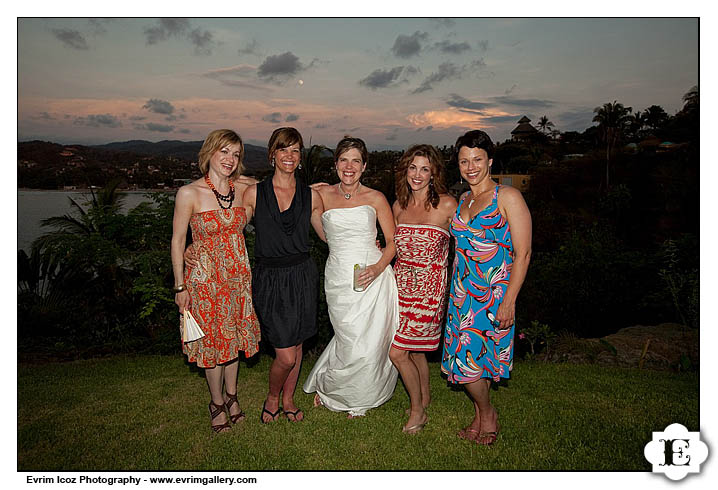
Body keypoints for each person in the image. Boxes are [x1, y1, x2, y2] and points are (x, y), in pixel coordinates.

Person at [441, 129, 532, 446]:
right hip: (462, 294)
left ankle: (487, 413)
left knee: (473, 362)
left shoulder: (507, 197)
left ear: (490, 161)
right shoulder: (463, 199)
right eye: (464, 161)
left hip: (493, 295)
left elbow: (523, 254)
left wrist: (509, 301)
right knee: (468, 360)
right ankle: (481, 415)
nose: (470, 166)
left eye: (477, 159)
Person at [170, 129, 261, 433]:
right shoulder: (189, 193)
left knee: (232, 339)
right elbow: (177, 240)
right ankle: (216, 401)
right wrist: (180, 285)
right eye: (224, 151)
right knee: (213, 343)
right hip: (205, 282)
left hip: (237, 278)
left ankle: (233, 396)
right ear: (209, 152)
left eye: (236, 154)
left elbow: (283, 186)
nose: (230, 159)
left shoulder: (244, 188)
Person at [303, 136, 399, 418]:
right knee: (347, 337)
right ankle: (334, 387)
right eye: (343, 159)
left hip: (373, 275)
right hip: (338, 277)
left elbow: (393, 242)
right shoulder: (321, 196)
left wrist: (378, 268)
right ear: (335, 165)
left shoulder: (376, 198)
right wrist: (309, 191)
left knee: (367, 341)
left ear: (364, 165)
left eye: (355, 160)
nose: (349, 166)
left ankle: (362, 395)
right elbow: (324, 235)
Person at [243, 127, 325, 423]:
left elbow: (329, 236)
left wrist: (368, 242)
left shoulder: (311, 195)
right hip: (270, 278)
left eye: (295, 150)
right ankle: (273, 396)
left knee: (299, 341)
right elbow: (228, 229)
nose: (289, 156)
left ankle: (288, 399)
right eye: (283, 149)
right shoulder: (254, 193)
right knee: (285, 354)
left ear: (300, 157)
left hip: (303, 275)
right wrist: (194, 249)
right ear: (272, 155)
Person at [389, 144, 457, 434]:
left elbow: (464, 247)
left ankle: (417, 412)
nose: (417, 174)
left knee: (397, 352)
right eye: (412, 167)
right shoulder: (398, 206)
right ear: (405, 170)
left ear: (434, 173)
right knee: (415, 351)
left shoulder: (448, 205)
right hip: (399, 286)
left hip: (430, 291)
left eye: (424, 169)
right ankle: (425, 397)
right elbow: (393, 247)